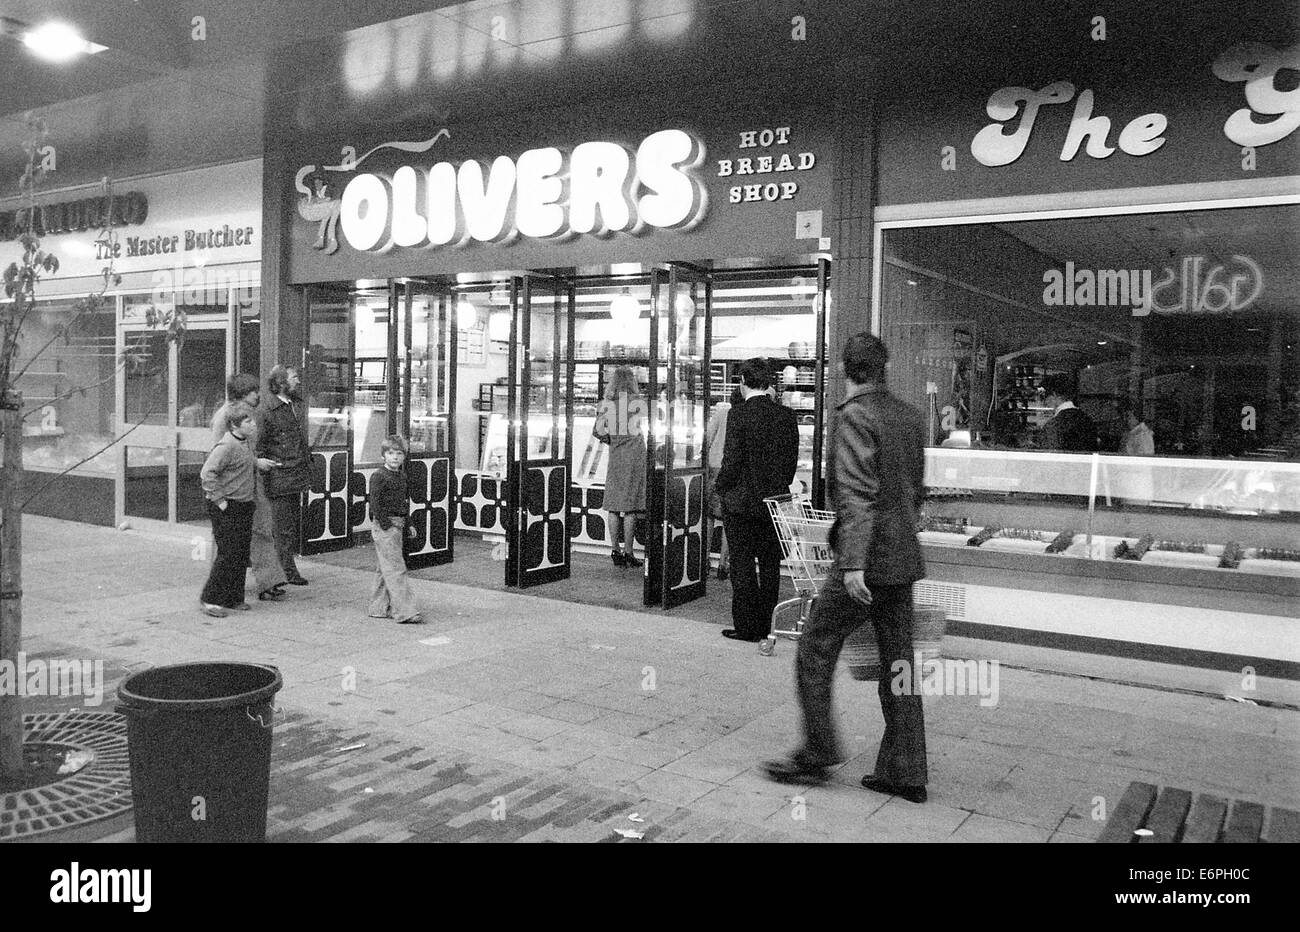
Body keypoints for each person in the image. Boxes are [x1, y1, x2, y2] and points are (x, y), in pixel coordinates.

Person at [764, 332, 930, 803]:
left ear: (844, 369)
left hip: (865, 563)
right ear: (884, 367)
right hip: (902, 558)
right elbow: (913, 490)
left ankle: (818, 752)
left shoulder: (855, 415)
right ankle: (907, 772)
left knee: (816, 647)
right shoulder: (909, 417)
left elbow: (857, 493)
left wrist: (854, 565)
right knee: (899, 664)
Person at [714, 357, 799, 642]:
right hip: (774, 503)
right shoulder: (787, 417)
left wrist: (721, 487)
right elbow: (790, 466)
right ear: (768, 383)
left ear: (742, 383)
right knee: (771, 565)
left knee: (743, 565)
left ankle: (747, 627)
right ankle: (768, 623)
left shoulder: (737, 415)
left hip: (741, 503)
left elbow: (732, 461)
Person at [212, 374, 287, 602]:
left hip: (251, 483)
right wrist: (256, 462)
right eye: (254, 391)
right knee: (231, 539)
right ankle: (224, 586)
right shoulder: (227, 416)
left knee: (262, 530)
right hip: (234, 487)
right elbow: (222, 453)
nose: (258, 394)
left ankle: (268, 581)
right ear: (243, 394)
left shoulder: (246, 414)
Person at [198, 403, 259, 617]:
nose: (253, 424)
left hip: (243, 504)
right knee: (228, 553)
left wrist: (258, 463)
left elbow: (244, 460)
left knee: (241, 553)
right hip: (227, 505)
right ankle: (210, 599)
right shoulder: (226, 445)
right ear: (234, 425)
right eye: (248, 421)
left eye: (253, 420)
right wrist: (220, 501)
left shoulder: (245, 443)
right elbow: (207, 474)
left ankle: (234, 597)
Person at [258, 364, 313, 585]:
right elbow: (260, 445)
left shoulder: (294, 405)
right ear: (281, 382)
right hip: (280, 476)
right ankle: (286, 571)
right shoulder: (267, 411)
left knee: (288, 526)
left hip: (295, 474)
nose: (297, 381)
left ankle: (284, 569)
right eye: (293, 377)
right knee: (283, 528)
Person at [595, 365, 647, 569]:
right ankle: (629, 552)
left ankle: (615, 549)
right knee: (631, 507)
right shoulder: (637, 402)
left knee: (614, 505)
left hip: (616, 454)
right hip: (635, 454)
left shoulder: (606, 403)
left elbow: (597, 430)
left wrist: (612, 440)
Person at [368, 435, 424, 624]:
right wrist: (386, 525)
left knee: (385, 568)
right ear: (383, 455)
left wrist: (407, 524)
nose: (395, 457)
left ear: (404, 456)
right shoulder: (378, 476)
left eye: (399, 453)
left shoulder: (401, 476)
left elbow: (403, 503)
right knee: (396, 568)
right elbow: (374, 504)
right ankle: (405, 611)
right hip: (386, 526)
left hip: (397, 524)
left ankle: (379, 607)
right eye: (390, 453)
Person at [705, 387, 743, 580]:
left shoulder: (721, 413)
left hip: (714, 467)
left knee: (709, 516)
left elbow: (707, 437)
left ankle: (704, 561)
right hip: (733, 470)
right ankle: (722, 564)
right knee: (729, 519)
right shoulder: (745, 416)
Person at [1038, 374, 1099, 452]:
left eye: (1043, 397)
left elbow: (1050, 457)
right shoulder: (1087, 420)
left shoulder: (1054, 425)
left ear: (1054, 395)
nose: (1043, 402)